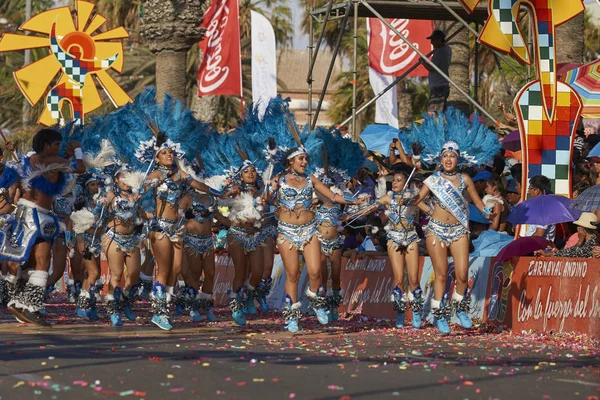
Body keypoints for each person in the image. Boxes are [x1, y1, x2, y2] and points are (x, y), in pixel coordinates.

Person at [268, 146, 365, 333]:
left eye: (306, 159)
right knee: (293, 274)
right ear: (290, 161)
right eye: (301, 159)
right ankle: (292, 315)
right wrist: (264, 195)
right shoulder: (278, 180)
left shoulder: (311, 179)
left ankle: (317, 302)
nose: (305, 162)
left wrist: (353, 201)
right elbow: (264, 197)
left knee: (315, 271)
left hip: (309, 230)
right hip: (286, 232)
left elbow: (333, 196)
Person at [1, 128, 85, 326]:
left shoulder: (39, 161)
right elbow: (79, 168)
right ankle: (27, 304)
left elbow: (54, 169)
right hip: (34, 216)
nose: (59, 147)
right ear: (46, 146)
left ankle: (25, 304)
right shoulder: (46, 160)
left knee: (37, 260)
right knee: (40, 262)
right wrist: (78, 150)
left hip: (38, 216)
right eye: (56, 144)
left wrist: (65, 154)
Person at [411, 142, 493, 334]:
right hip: (436, 230)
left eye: (452, 156)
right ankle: (439, 315)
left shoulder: (465, 179)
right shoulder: (433, 179)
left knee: (463, 273)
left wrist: (487, 212)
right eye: (445, 156)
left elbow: (477, 201)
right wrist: (418, 203)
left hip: (458, 229)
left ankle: (459, 306)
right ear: (440, 159)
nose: (448, 159)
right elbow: (418, 200)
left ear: (458, 159)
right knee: (441, 274)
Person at [376, 164, 423, 329]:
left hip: (410, 238)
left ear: (406, 182)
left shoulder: (413, 198)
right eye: (393, 181)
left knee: (414, 278)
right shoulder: (387, 199)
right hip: (394, 239)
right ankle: (400, 312)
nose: (394, 183)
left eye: (398, 180)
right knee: (398, 278)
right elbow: (373, 208)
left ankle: (416, 312)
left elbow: (428, 209)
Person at [425, 29, 452, 114]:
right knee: (439, 111)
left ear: (439, 39)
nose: (431, 42)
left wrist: (423, 62)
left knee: (433, 112)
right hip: (439, 85)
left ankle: (437, 127)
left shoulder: (441, 51)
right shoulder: (445, 49)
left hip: (439, 86)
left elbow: (431, 68)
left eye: (433, 40)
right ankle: (439, 125)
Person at [522, 175, 556, 242]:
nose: (528, 191)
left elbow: (539, 234)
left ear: (537, 191)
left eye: (530, 188)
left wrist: (523, 243)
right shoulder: (539, 207)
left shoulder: (545, 209)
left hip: (540, 247)